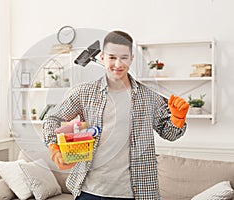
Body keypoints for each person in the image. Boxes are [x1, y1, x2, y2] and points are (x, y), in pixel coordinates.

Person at [42, 30, 189, 200]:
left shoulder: (149, 97)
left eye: (124, 57)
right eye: (112, 57)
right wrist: (54, 147)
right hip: (90, 191)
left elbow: (169, 134)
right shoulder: (84, 93)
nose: (118, 64)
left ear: (131, 58)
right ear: (102, 57)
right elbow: (52, 119)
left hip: (137, 193)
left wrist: (178, 119)